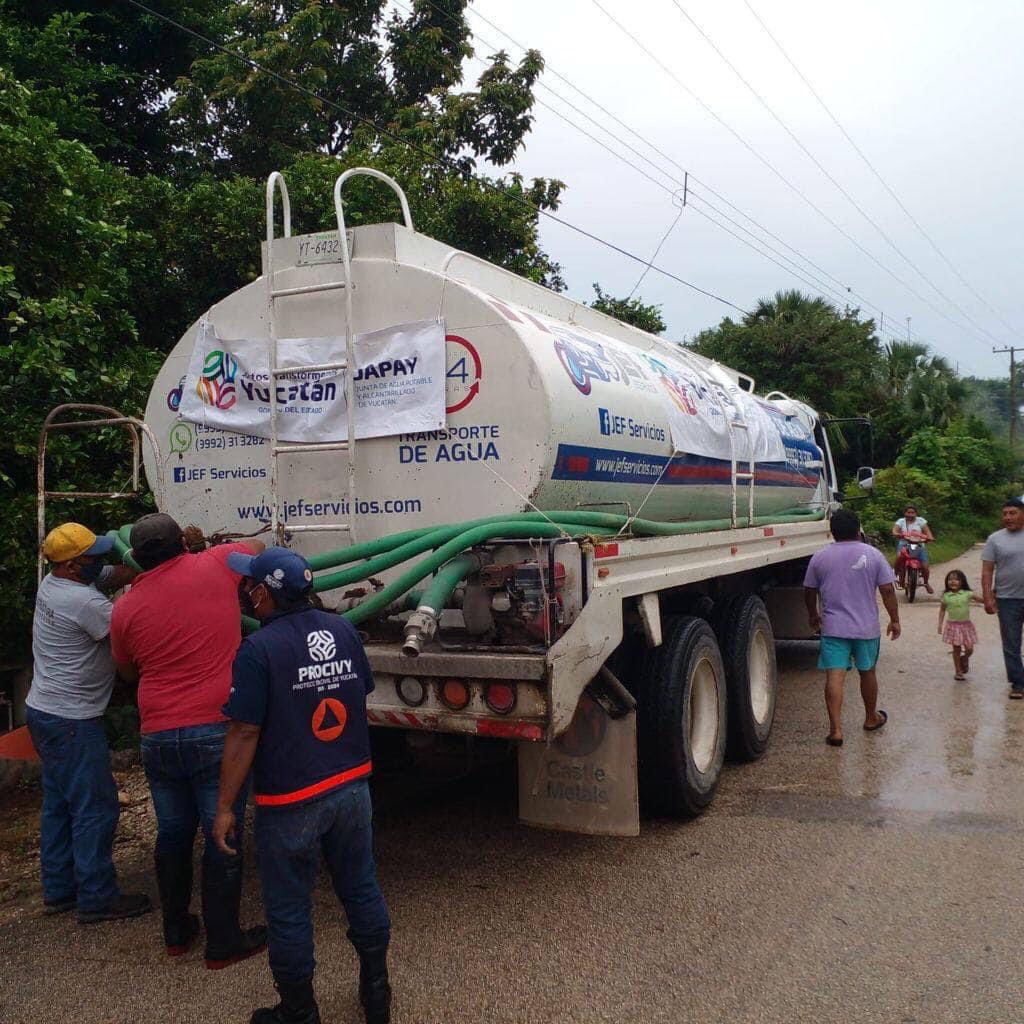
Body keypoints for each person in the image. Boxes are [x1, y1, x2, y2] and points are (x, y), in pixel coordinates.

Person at [212, 548, 391, 1024]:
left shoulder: (258, 649)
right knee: (361, 887)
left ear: (263, 593)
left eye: (250, 585)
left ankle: (299, 1012)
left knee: (289, 909)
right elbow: (359, 692)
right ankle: (377, 992)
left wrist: (225, 807)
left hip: (292, 798)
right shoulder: (343, 630)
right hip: (351, 786)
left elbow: (244, 732)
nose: (245, 593)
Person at [110, 513, 267, 965]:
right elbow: (259, 550)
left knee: (174, 832)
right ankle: (224, 942)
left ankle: (176, 931)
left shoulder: (124, 607)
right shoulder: (217, 563)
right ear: (182, 542)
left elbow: (127, 671)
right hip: (215, 728)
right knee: (223, 828)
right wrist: (204, 550)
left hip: (158, 733)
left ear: (137, 557)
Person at [26, 522, 151, 924]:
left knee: (60, 804)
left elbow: (112, 574)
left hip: (43, 711)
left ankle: (60, 889)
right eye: (92, 557)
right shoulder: (84, 603)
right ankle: (97, 897)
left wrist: (142, 567)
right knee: (95, 806)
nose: (100, 562)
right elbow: (132, 632)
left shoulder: (52, 584)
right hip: (72, 720)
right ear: (73, 566)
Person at [804, 509, 900, 746]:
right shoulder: (873, 554)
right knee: (868, 672)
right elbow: (888, 590)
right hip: (866, 629)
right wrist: (894, 619)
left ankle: (836, 730)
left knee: (835, 676)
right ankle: (870, 718)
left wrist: (813, 615)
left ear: (832, 532)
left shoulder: (820, 557)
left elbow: (809, 590)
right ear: (859, 530)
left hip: (833, 628)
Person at [981, 497, 1024, 699]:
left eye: (1013, 513)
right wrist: (987, 597)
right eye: (1005, 514)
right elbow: (987, 571)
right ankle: (1018, 683)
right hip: (1007, 599)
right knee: (1011, 644)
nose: (1008, 517)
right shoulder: (995, 539)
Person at [937, 570, 983, 681]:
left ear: (962, 581)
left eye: (956, 579)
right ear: (946, 582)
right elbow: (942, 610)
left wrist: (992, 600)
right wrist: (940, 624)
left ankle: (965, 658)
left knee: (969, 649)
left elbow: (982, 600)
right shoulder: (946, 596)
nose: (953, 582)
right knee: (956, 649)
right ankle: (958, 672)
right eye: (950, 579)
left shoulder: (967, 594)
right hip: (953, 627)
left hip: (966, 626)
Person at [892, 505, 935, 593]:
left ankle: (926, 583)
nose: (910, 514)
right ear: (905, 513)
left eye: (913, 512)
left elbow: (927, 532)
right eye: (908, 512)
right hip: (904, 544)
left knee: (925, 566)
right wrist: (897, 534)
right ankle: (893, 576)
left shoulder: (921, 521)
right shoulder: (901, 521)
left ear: (916, 513)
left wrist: (930, 538)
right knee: (900, 558)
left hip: (919, 545)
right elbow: (895, 530)